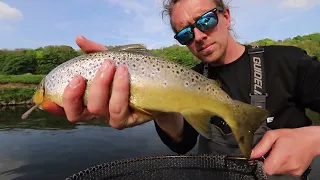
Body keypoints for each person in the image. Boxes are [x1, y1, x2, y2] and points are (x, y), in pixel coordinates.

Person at [43, 0, 320, 179]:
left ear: (227, 15)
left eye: (206, 21)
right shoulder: (189, 77)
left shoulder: (288, 60)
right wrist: (159, 109)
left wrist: (314, 137)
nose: (198, 36)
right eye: (185, 34)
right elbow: (184, 142)